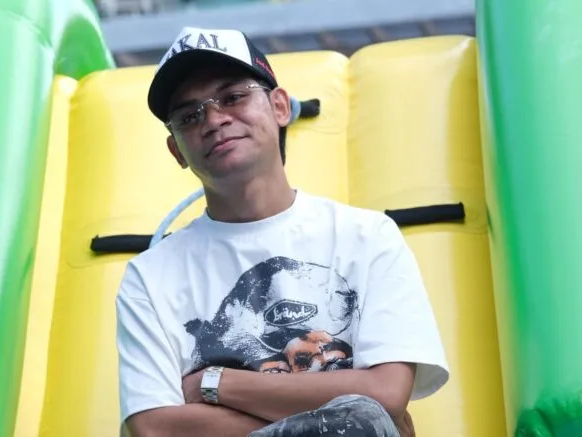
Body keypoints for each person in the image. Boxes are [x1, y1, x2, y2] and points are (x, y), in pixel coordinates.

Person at [115, 26, 449, 437]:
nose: (214, 120)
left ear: (279, 106)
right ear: (176, 151)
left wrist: (213, 383)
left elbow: (386, 392)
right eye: (190, 116)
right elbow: (154, 428)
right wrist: (343, 412)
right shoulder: (149, 276)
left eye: (233, 97)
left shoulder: (367, 237)